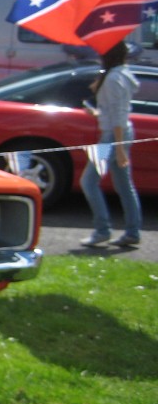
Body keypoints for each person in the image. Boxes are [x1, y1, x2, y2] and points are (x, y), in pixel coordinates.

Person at [80, 40, 143, 248]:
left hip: (114, 135)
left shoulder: (114, 78)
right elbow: (115, 112)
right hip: (120, 132)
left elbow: (117, 115)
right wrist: (97, 113)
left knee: (88, 182)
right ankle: (132, 232)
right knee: (124, 185)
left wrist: (120, 147)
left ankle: (102, 230)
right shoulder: (122, 73)